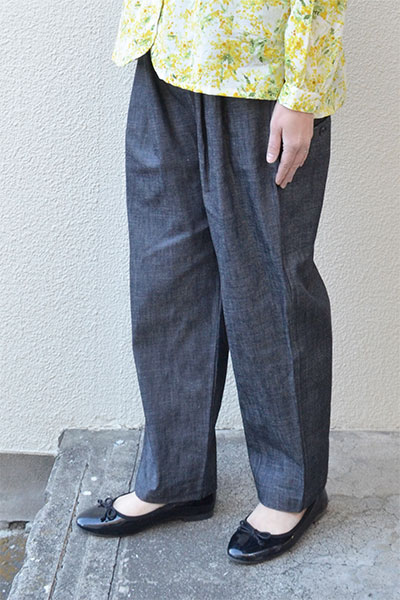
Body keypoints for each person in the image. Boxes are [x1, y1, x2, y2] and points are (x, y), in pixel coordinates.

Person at [76, 0, 347, 564]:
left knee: (268, 288)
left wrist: (303, 90)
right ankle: (175, 478)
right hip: (166, 53)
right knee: (166, 280)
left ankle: (291, 490)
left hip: (261, 67)